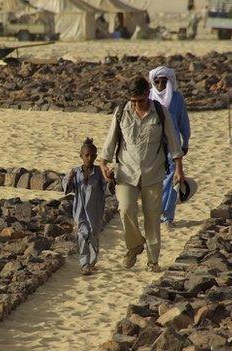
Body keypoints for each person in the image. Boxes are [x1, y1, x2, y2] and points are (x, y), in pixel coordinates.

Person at [99, 77, 185, 272]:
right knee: (126, 209)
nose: (137, 104)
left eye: (141, 100)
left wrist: (179, 168)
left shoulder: (160, 112)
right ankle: (135, 245)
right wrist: (103, 163)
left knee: (152, 217)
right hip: (126, 171)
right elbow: (111, 139)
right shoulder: (122, 112)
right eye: (133, 100)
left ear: (148, 94)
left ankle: (152, 260)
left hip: (153, 171)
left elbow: (173, 141)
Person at [149, 67, 191, 228]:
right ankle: (156, 212)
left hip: (172, 145)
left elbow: (183, 121)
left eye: (164, 81)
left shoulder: (177, 98)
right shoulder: (148, 98)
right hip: (153, 145)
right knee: (155, 180)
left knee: (172, 179)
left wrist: (185, 142)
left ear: (170, 81)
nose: (160, 84)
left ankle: (167, 216)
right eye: (157, 81)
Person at [64, 138, 106, 276]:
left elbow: (108, 188)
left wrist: (111, 179)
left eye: (93, 155)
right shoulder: (75, 172)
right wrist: (69, 179)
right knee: (82, 235)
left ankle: (92, 262)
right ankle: (84, 264)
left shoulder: (99, 172)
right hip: (80, 210)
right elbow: (66, 188)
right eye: (86, 155)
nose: (90, 158)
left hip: (95, 209)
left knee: (93, 235)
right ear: (81, 155)